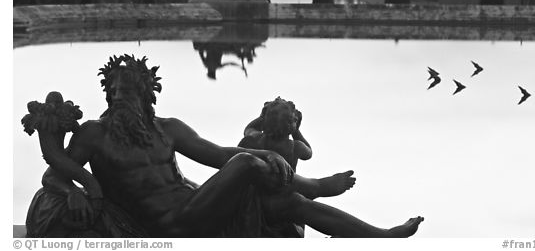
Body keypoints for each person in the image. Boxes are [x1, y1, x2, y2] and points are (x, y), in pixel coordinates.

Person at [40, 54, 424, 237]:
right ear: (106, 94)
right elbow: (52, 174)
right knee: (245, 167)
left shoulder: (168, 128)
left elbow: (218, 155)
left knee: (285, 204)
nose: (121, 97)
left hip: (196, 205)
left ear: (146, 94)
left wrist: (266, 153)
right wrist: (80, 189)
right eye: (115, 92)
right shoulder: (93, 133)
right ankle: (318, 186)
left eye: (129, 91)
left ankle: (382, 236)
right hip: (167, 224)